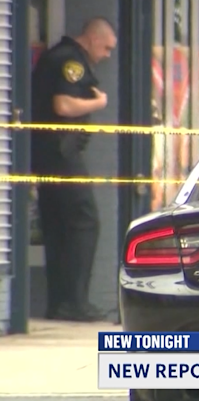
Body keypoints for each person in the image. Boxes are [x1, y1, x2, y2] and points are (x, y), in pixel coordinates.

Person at [30, 17, 117, 321]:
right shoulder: (71, 60)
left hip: (47, 153)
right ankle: (75, 303)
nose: (106, 55)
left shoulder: (59, 56)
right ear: (93, 38)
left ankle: (60, 304)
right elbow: (63, 106)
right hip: (60, 153)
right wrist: (98, 103)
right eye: (106, 48)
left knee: (58, 227)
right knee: (84, 221)